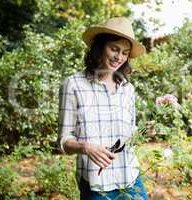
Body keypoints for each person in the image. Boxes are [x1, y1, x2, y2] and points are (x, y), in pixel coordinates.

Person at [57, 17, 148, 200]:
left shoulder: (127, 89)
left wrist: (144, 131)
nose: (119, 57)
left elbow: (129, 134)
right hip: (96, 185)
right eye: (114, 49)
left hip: (130, 177)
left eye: (125, 52)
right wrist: (86, 147)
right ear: (100, 47)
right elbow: (63, 140)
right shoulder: (73, 85)